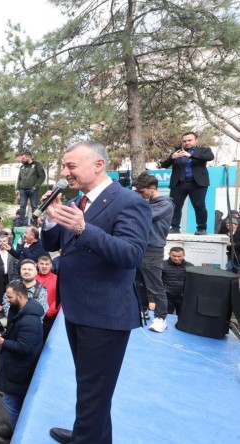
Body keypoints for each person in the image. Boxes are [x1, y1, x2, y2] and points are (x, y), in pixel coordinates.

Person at [41, 141, 150, 444]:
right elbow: (52, 245)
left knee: (93, 392)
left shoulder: (128, 202)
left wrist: (83, 229)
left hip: (105, 316)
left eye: (71, 166)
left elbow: (130, 254)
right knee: (92, 389)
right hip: (78, 310)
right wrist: (52, 218)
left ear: (98, 165)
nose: (65, 173)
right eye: (64, 166)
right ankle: (89, 434)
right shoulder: (77, 204)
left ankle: (85, 437)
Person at [0, 281, 45, 441]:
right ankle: (16, 429)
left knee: (10, 402)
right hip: (15, 366)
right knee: (15, 402)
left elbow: (26, 347)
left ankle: (18, 433)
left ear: (20, 296)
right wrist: (5, 333)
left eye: (9, 297)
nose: (6, 300)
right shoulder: (19, 310)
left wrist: (4, 343)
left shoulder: (30, 320)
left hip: (20, 369)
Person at [133, 172, 174, 332]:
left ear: (152, 188)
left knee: (155, 285)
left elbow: (143, 216)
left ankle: (161, 318)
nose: (140, 194)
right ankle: (143, 310)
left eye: (142, 191)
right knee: (137, 282)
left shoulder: (165, 204)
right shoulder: (148, 203)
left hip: (153, 250)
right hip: (139, 247)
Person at [159, 132, 214, 234]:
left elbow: (210, 157)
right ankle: (175, 227)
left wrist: (191, 155)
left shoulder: (203, 150)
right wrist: (172, 158)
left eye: (189, 140)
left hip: (197, 184)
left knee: (199, 206)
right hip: (179, 184)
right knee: (174, 206)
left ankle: (201, 228)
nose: (187, 143)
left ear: (196, 140)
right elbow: (164, 165)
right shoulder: (177, 152)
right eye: (184, 141)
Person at [15, 151, 47, 225]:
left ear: (28, 157)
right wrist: (17, 188)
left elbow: (42, 177)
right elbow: (19, 178)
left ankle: (35, 223)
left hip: (33, 189)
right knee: (22, 206)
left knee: (34, 206)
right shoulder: (22, 166)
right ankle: (21, 223)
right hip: (23, 189)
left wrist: (35, 187)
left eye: (23, 158)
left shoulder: (37, 165)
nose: (22, 160)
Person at [161, 247, 193, 315]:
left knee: (183, 317)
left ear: (184, 255)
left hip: (183, 298)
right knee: (165, 317)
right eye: (174, 256)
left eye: (179, 256)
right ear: (169, 254)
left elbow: (193, 282)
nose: (176, 258)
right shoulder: (162, 265)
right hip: (167, 297)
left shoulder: (190, 266)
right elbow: (156, 281)